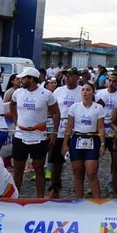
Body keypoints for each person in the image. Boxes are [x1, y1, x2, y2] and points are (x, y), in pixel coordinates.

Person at [9, 67, 59, 198]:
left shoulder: (47, 94)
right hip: (20, 136)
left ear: (31, 79)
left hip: (39, 137)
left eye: (23, 78)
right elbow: (12, 105)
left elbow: (55, 112)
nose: (21, 80)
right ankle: (16, 197)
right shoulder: (18, 92)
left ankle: (40, 198)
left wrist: (54, 132)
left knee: (39, 169)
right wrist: (15, 120)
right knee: (18, 170)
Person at [61, 82, 105, 198]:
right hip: (77, 139)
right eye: (83, 90)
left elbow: (100, 127)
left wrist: (102, 143)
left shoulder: (98, 108)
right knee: (77, 172)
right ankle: (78, 199)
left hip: (92, 139)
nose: (85, 92)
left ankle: (97, 200)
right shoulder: (74, 107)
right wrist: (65, 144)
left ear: (93, 92)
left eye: (88, 90)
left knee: (91, 173)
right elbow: (69, 126)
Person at [48, 67, 81, 198]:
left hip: (76, 131)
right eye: (66, 75)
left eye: (71, 75)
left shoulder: (82, 90)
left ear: (77, 77)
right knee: (56, 160)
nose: (67, 78)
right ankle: (55, 186)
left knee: (77, 161)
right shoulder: (58, 91)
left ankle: (78, 187)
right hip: (60, 130)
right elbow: (53, 109)